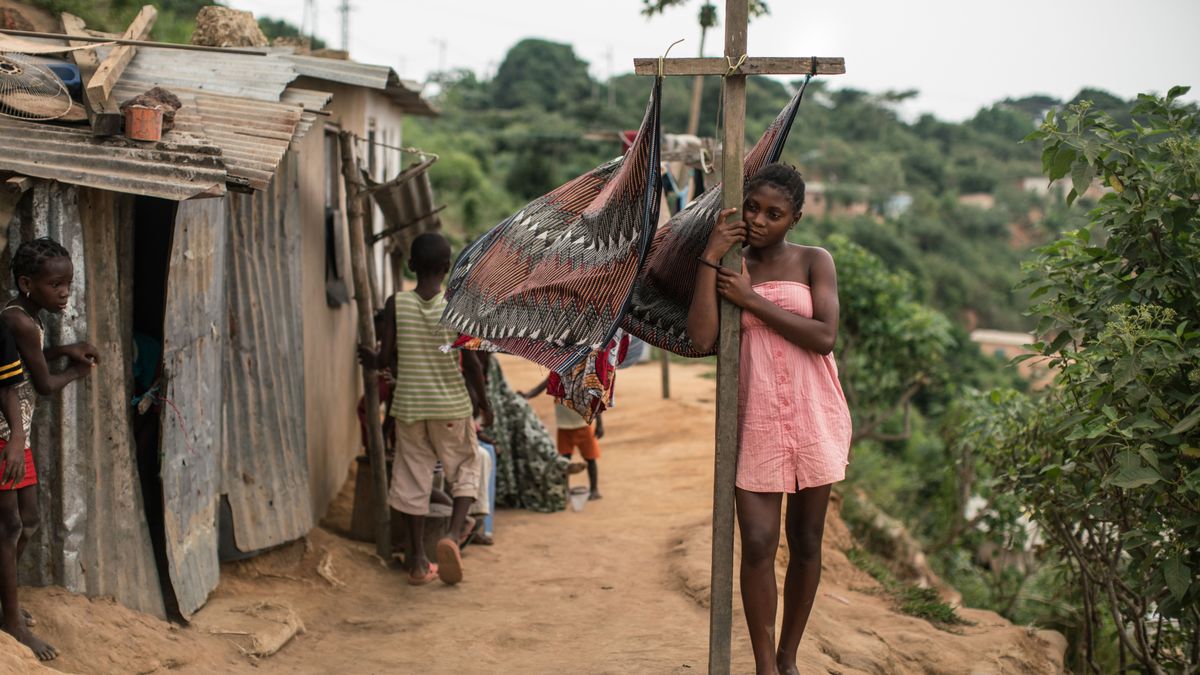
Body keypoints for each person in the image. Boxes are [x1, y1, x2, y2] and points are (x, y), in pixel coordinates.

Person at [686, 163, 851, 675]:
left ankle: (789, 656)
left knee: (805, 542)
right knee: (757, 542)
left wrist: (752, 300)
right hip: (754, 415)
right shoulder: (730, 263)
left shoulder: (813, 262)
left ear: (795, 219)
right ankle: (764, 666)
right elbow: (701, 340)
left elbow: (824, 336)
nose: (759, 221)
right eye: (753, 208)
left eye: (773, 214)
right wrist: (711, 259)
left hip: (813, 412)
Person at [358, 233, 491, 587]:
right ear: (447, 268)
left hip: (410, 408)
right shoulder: (456, 304)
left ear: (411, 265)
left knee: (413, 478)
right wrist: (485, 403)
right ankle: (450, 534)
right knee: (467, 465)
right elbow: (474, 365)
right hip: (451, 406)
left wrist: (369, 358)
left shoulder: (396, 303)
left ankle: (417, 562)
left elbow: (386, 360)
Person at [0, 238, 99, 661]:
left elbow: (28, 362)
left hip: (14, 430)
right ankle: (11, 621)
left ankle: (5, 602)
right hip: (5, 435)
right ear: (27, 283)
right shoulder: (17, 321)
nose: (64, 293)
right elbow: (41, 383)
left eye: (68, 284)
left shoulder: (25, 317)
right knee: (8, 527)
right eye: (56, 284)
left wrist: (60, 350)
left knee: (31, 518)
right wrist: (76, 370)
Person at [479, 354, 583, 514]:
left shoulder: (492, 363)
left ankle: (553, 461)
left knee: (522, 412)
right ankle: (557, 463)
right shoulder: (467, 362)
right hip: (479, 416)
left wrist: (523, 398)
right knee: (514, 423)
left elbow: (504, 390)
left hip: (497, 414)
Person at [523, 377, 604, 500]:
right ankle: (565, 490)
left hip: (584, 424)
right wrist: (527, 395)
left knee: (590, 459)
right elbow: (540, 388)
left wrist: (600, 423)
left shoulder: (584, 374)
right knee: (564, 461)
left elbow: (595, 398)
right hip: (564, 426)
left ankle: (594, 489)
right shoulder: (556, 373)